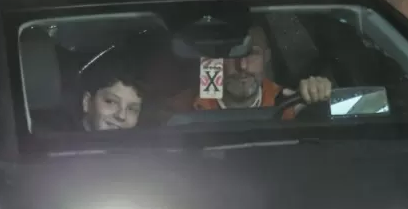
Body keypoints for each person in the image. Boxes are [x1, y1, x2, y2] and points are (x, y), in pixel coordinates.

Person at [168, 23, 333, 115]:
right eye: (232, 55)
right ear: (214, 61)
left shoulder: (293, 104)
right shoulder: (180, 109)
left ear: (266, 57)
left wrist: (322, 97)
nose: (243, 67)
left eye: (252, 54)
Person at [78, 45, 145, 131]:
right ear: (86, 102)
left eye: (132, 109)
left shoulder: (139, 143)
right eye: (110, 102)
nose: (121, 116)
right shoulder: (63, 139)